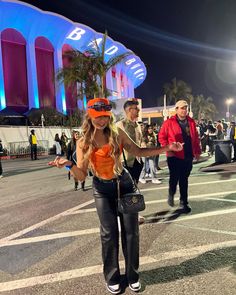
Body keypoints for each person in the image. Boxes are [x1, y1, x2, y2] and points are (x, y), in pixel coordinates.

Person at [48, 98, 183, 294]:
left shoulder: (117, 133)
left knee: (131, 233)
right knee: (109, 234)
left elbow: (138, 151)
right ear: (89, 117)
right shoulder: (83, 141)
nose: (102, 121)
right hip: (102, 190)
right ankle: (112, 277)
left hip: (125, 185)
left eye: (105, 116)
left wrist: (167, 148)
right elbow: (81, 174)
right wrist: (68, 165)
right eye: (97, 117)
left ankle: (133, 276)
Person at [159, 100, 201, 213]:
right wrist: (168, 148)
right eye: (182, 108)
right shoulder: (169, 122)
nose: (184, 110)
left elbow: (195, 138)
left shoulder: (191, 122)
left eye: (185, 108)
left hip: (188, 155)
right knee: (174, 178)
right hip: (174, 156)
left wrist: (197, 152)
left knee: (184, 179)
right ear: (176, 109)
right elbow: (161, 137)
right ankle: (171, 193)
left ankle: (184, 202)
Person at [116, 99, 145, 224]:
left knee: (134, 189)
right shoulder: (119, 126)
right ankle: (121, 216)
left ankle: (134, 214)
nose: (138, 111)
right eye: (136, 109)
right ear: (128, 110)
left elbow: (140, 140)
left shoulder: (138, 125)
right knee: (122, 191)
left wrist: (144, 147)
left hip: (137, 162)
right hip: (124, 163)